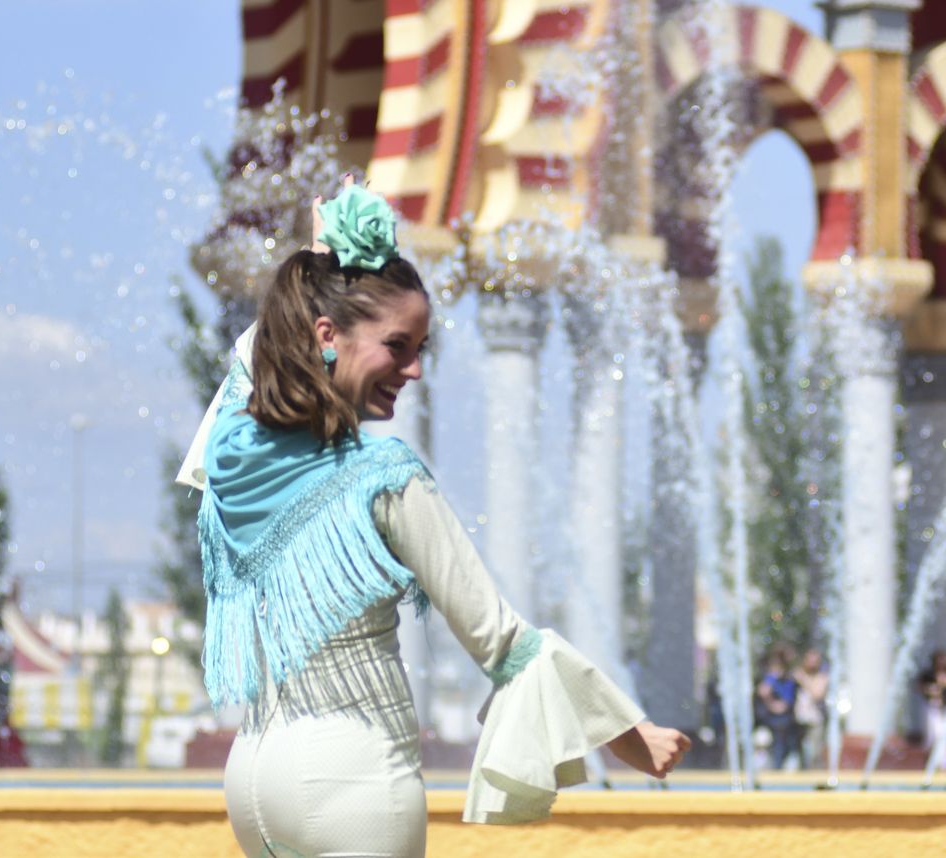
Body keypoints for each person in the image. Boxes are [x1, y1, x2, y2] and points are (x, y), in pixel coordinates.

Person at [181, 182, 688, 856]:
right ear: (327, 335)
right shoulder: (384, 475)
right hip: (355, 786)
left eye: (422, 347)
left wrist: (321, 258)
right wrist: (633, 736)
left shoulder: (233, 448)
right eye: (399, 346)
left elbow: (256, 353)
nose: (416, 370)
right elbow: (504, 643)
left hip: (253, 784)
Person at [755, 644, 801, 770]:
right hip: (773, 718)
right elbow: (763, 691)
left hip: (787, 718)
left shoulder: (790, 678)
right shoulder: (770, 678)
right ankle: (776, 767)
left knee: (788, 745)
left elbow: (788, 700)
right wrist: (772, 704)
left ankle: (782, 767)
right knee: (776, 745)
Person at [917, 649, 946, 785]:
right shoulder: (928, 674)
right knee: (933, 735)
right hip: (932, 708)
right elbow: (920, 686)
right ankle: (934, 764)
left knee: (944, 735)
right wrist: (931, 689)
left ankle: (944, 766)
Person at [792, 647, 829, 769]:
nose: (812, 663)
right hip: (797, 719)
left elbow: (817, 694)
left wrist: (803, 679)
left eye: (815, 660)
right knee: (797, 751)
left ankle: (815, 776)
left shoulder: (821, 677)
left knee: (815, 752)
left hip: (815, 719)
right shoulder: (795, 675)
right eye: (810, 660)